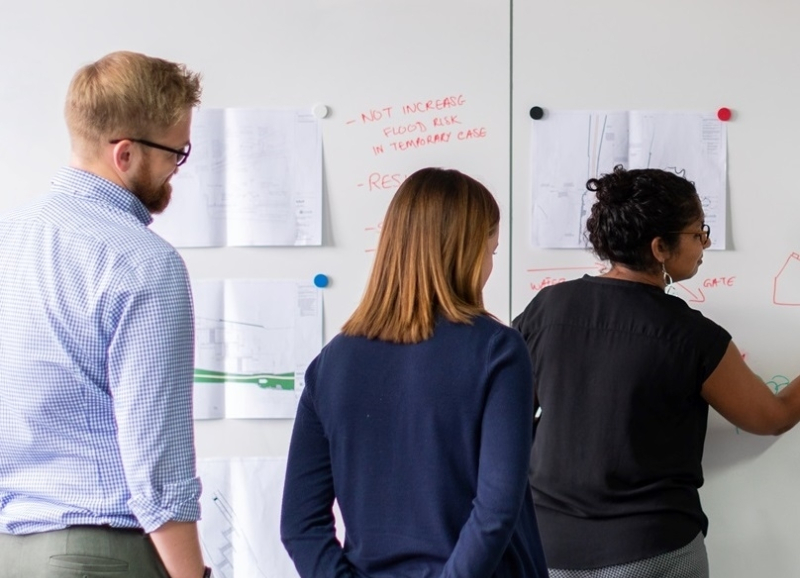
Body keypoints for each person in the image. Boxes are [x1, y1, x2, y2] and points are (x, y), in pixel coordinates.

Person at [512, 165, 800, 578]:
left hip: (546, 548)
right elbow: (771, 418)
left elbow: (510, 415)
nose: (706, 244)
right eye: (698, 232)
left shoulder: (546, 310)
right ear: (660, 247)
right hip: (651, 553)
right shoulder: (692, 336)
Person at [0, 51, 211, 578]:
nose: (175, 170)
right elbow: (158, 464)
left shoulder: (8, 239)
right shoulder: (143, 262)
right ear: (124, 154)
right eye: (176, 153)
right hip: (100, 555)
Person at [280, 167, 549, 578]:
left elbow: (300, 526)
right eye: (491, 250)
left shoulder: (332, 363)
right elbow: (495, 509)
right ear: (467, 250)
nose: (490, 265)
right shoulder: (497, 350)